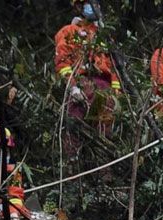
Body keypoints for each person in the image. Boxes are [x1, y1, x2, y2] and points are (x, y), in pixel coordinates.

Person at [54, 0, 122, 145]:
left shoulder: (104, 36)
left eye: (97, 3)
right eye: (91, 3)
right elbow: (63, 63)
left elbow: (113, 67)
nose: (96, 6)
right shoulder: (69, 31)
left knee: (105, 135)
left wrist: (116, 92)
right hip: (83, 84)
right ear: (79, 7)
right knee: (75, 131)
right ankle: (73, 163)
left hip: (105, 89)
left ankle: (103, 165)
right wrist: (73, 87)